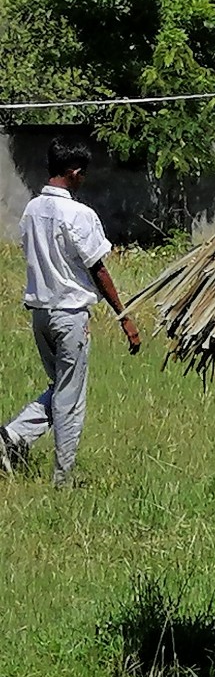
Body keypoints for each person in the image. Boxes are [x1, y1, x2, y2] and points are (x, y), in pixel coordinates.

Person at [0, 138, 141, 485]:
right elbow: (98, 269)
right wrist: (125, 317)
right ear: (73, 172)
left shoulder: (32, 210)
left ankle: (12, 438)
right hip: (69, 315)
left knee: (61, 387)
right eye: (82, 174)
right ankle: (64, 478)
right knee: (70, 399)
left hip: (40, 314)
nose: (83, 180)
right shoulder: (79, 214)